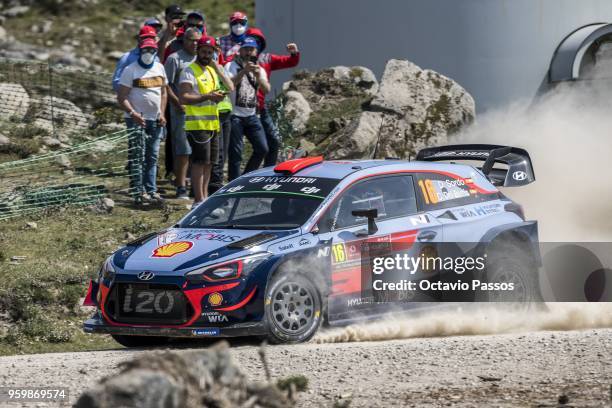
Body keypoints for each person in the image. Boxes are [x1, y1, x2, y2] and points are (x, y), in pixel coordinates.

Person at [179, 36, 234, 207]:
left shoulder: (211, 70)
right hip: (197, 124)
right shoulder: (189, 70)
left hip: (213, 124)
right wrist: (207, 96)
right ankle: (198, 200)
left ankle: (204, 198)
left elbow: (230, 87)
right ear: (197, 51)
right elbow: (184, 97)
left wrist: (217, 69)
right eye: (203, 51)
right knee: (199, 162)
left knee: (210, 163)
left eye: (210, 52)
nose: (206, 55)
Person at [117, 37, 167, 203]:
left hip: (155, 119)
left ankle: (151, 190)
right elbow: (122, 96)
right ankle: (138, 191)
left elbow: (164, 92)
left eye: (151, 50)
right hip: (136, 119)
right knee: (138, 156)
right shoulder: (130, 69)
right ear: (140, 51)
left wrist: (162, 112)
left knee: (152, 156)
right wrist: (132, 113)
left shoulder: (159, 67)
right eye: (145, 50)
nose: (148, 53)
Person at [247, 27, 300, 166]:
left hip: (260, 107)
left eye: (258, 41)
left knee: (273, 142)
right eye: (252, 41)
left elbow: (290, 62)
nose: (255, 44)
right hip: (241, 109)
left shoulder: (267, 59)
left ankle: (267, 173)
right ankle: (242, 179)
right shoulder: (237, 60)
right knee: (240, 150)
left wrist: (294, 53)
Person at [225, 37, 270, 181]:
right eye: (246, 49)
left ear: (256, 51)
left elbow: (267, 89)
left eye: (251, 49)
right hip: (234, 115)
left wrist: (258, 76)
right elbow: (229, 85)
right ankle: (233, 184)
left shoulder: (259, 68)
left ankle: (244, 179)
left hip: (251, 116)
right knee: (236, 154)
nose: (248, 52)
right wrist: (244, 71)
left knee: (263, 149)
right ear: (240, 50)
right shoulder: (231, 66)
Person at [164, 27, 201, 199]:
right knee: (183, 149)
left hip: (200, 111)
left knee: (198, 149)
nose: (195, 43)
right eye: (191, 40)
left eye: (197, 40)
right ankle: (180, 186)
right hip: (180, 111)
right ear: (184, 40)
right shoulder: (174, 59)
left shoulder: (202, 59)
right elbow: (166, 85)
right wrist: (178, 103)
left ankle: (196, 186)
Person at [112, 25, 159, 92]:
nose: (148, 40)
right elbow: (116, 82)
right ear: (139, 39)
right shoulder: (127, 57)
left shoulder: (156, 59)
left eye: (151, 38)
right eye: (145, 37)